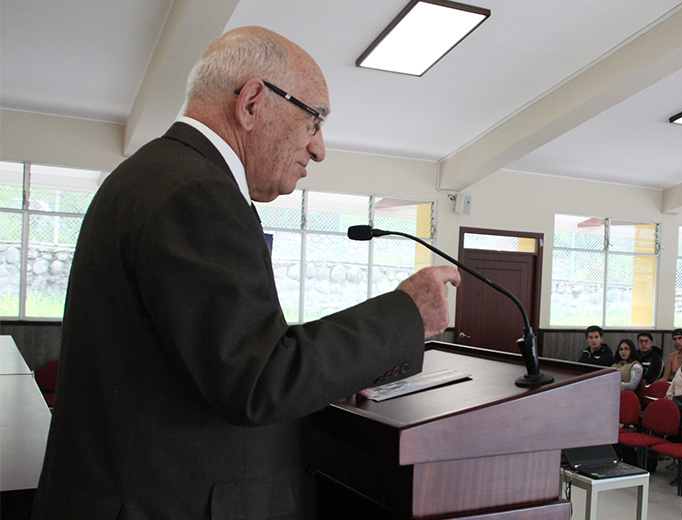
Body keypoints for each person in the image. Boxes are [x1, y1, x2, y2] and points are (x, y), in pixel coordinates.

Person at [31, 27, 461, 519]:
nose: (319, 148)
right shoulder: (197, 192)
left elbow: (222, 354)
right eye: (314, 120)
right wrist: (406, 313)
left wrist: (343, 372)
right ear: (253, 102)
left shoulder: (156, 173)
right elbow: (256, 380)